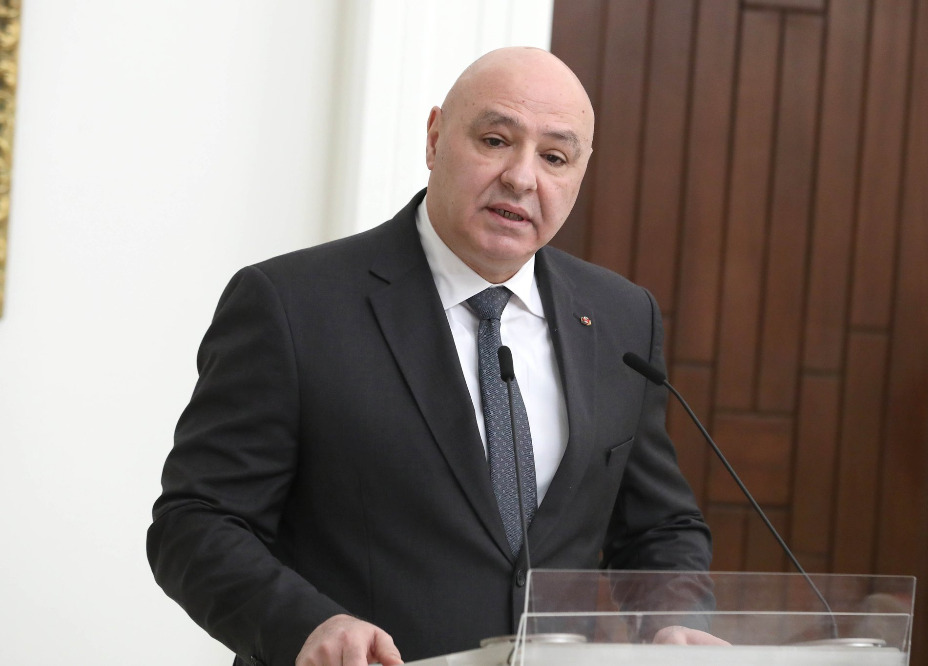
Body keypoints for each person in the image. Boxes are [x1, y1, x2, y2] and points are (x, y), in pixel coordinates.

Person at [147, 47, 713, 666]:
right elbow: (196, 522)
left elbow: (658, 527)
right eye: (495, 140)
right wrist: (308, 626)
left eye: (554, 157)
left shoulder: (621, 317)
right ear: (436, 138)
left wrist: (673, 621)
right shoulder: (291, 305)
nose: (522, 178)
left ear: (579, 174)